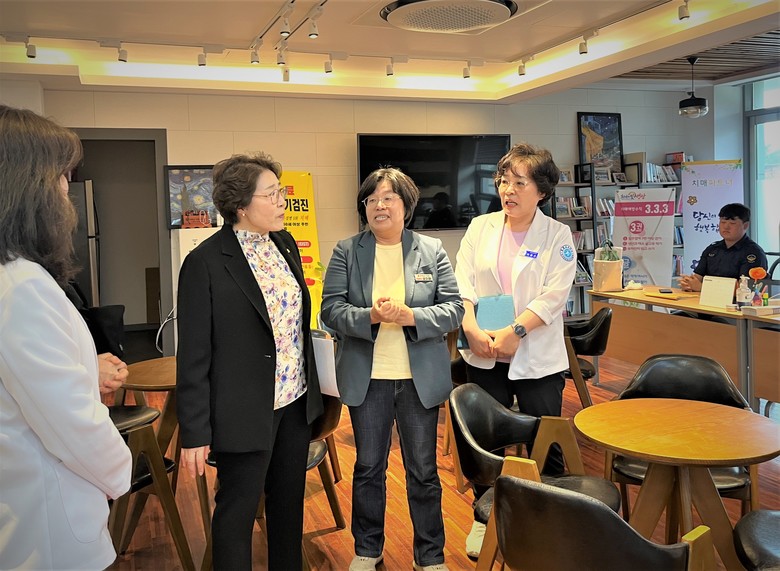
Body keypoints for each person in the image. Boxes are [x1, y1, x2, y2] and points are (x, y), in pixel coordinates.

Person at [176, 151, 324, 570]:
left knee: (288, 507)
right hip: (242, 409)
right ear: (241, 205)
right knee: (236, 513)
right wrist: (194, 431)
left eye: (281, 192)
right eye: (271, 194)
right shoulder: (204, 263)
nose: (282, 201)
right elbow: (193, 354)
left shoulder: (284, 243)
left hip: (294, 400)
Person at [0, 104, 132, 570]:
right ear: (29, 186)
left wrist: (85, 367)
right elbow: (73, 425)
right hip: (50, 526)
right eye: (60, 176)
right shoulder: (22, 285)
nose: (65, 190)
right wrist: (121, 472)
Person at [321, 167, 463, 571]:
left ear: (406, 205)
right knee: (368, 468)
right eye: (371, 199)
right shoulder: (347, 251)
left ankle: (430, 556)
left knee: (423, 470)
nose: (379, 206)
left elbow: (453, 309)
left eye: (388, 198)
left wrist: (410, 316)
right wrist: (369, 315)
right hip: (368, 379)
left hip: (419, 380)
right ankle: (368, 549)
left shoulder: (431, 250)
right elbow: (330, 309)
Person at [454, 142, 576, 559]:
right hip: (484, 351)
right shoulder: (480, 227)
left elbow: (554, 295)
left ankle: (550, 515)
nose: (508, 190)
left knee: (546, 437)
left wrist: (516, 331)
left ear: (541, 190)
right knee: (486, 442)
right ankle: (483, 516)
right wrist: (470, 327)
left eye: (519, 183)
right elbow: (462, 284)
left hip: (535, 355)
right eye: (504, 181)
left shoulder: (557, 235)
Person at [679, 203, 767, 292]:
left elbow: (747, 288)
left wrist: (703, 288)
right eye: (723, 222)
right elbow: (698, 277)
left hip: (737, 300)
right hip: (707, 298)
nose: (726, 227)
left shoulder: (753, 253)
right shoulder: (712, 249)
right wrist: (688, 284)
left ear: (745, 225)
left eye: (732, 223)